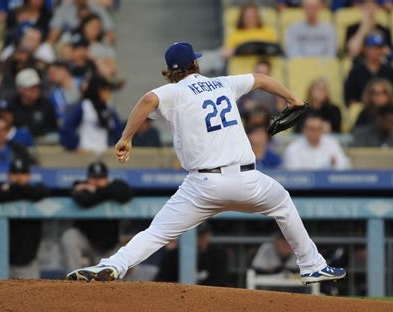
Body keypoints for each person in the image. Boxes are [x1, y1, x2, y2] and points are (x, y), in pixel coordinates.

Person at [67, 42, 346, 284]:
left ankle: (113, 265)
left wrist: (126, 138)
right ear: (195, 63)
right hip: (247, 181)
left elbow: (149, 99)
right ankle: (312, 266)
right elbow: (261, 78)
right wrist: (294, 100)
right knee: (283, 203)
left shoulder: (174, 93)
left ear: (171, 70)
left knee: (157, 232)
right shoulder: (223, 82)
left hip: (203, 185)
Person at [60, 161, 132, 273]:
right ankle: (72, 279)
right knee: (69, 237)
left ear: (107, 178)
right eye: (94, 178)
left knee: (107, 281)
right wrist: (105, 193)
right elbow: (84, 200)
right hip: (85, 239)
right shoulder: (80, 185)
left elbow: (126, 194)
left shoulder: (116, 185)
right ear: (88, 177)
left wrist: (97, 191)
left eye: (101, 178)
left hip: (106, 246)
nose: (97, 181)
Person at [0, 158, 49, 279]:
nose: (18, 177)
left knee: (32, 296)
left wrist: (13, 188)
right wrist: (21, 190)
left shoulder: (37, 188)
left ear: (29, 176)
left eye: (22, 174)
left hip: (27, 261)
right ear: (8, 176)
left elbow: (41, 193)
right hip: (0, 260)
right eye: (15, 174)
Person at [60, 75, 122, 153]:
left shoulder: (109, 108)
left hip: (104, 153)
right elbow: (67, 127)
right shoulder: (84, 107)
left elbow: (118, 131)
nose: (108, 93)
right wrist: (74, 146)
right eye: (105, 90)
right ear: (97, 91)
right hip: (85, 153)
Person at [155, 223, 229, 286]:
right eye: (197, 235)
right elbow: (162, 281)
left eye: (203, 235)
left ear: (209, 234)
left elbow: (221, 282)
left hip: (208, 298)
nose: (200, 239)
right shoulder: (172, 256)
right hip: (179, 296)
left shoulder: (218, 255)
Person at [344, 33, 393, 106]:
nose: (376, 51)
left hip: (386, 109)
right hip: (364, 111)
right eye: (372, 48)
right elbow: (350, 98)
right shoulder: (356, 71)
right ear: (365, 49)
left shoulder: (390, 71)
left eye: (379, 48)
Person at [284, 114, 350, 170]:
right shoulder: (293, 148)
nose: (315, 132)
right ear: (304, 130)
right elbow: (296, 176)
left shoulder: (332, 143)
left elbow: (344, 165)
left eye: (318, 129)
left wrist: (335, 163)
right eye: (312, 129)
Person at [6, 68, 58, 137]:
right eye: (30, 87)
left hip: (44, 144)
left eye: (37, 87)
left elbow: (53, 129)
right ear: (20, 89)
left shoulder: (46, 104)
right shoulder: (11, 107)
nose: (35, 90)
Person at [48, 0, 115, 44]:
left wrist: (102, 44)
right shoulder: (64, 9)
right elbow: (54, 33)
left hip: (95, 46)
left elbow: (110, 33)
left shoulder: (98, 8)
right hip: (72, 46)